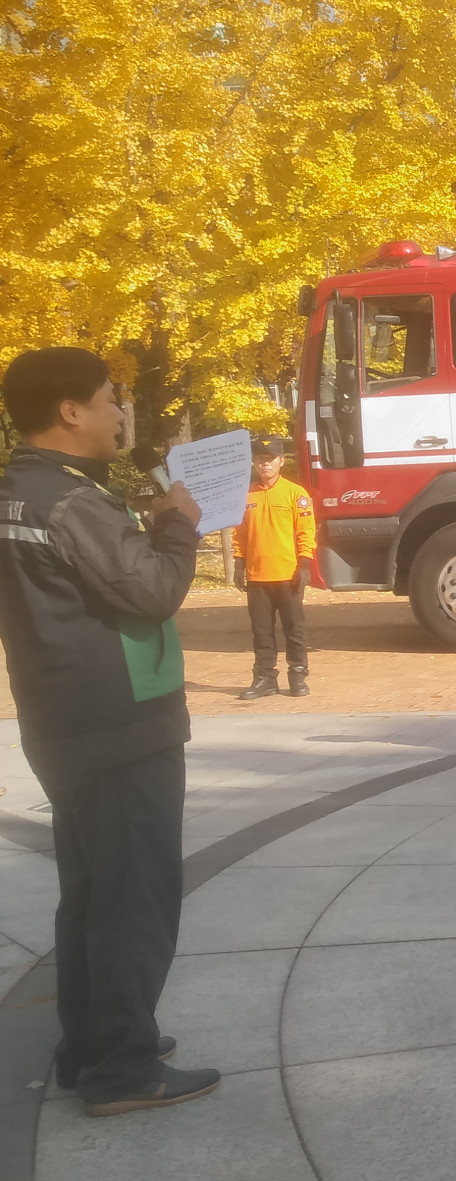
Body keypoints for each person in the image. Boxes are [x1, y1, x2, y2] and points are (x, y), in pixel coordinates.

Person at [0, 347, 217, 1115]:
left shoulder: (17, 489)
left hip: (62, 720)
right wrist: (179, 526)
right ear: (70, 411)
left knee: (92, 888)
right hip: (120, 723)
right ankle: (123, 1070)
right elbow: (153, 589)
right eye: (108, 399)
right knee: (135, 892)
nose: (118, 413)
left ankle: (92, 1042)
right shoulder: (70, 499)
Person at [232, 437, 316, 700]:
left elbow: (306, 531)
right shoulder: (245, 495)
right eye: (260, 459)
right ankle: (265, 678)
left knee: (294, 628)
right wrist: (239, 563)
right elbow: (239, 533)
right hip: (257, 577)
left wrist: (304, 563)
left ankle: (298, 676)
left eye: (270, 459)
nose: (265, 464)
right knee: (261, 632)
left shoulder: (296, 494)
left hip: (288, 575)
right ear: (254, 462)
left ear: (281, 461)